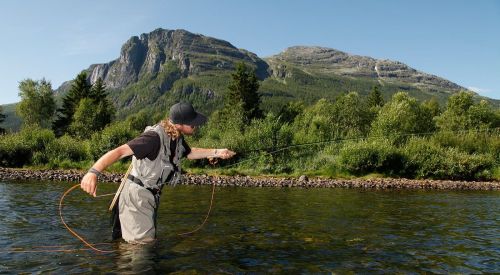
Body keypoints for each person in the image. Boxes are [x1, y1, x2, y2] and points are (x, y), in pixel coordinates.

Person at [80, 102, 236, 244]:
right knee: (142, 248)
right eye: (193, 123)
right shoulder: (153, 137)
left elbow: (189, 152)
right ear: (180, 124)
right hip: (136, 197)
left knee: (140, 245)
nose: (196, 126)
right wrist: (93, 172)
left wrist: (217, 152)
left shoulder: (176, 137)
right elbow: (120, 151)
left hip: (149, 197)